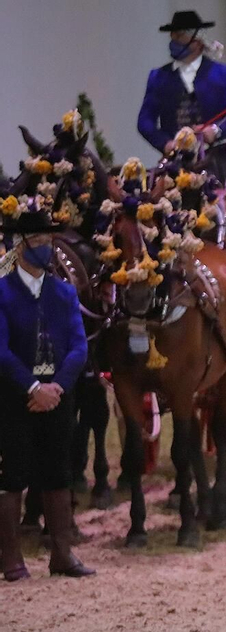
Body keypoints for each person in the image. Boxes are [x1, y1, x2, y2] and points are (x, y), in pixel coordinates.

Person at [0, 201, 94, 580]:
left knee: (59, 472)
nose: (48, 246)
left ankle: (62, 554)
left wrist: (57, 387)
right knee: (13, 475)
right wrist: (33, 386)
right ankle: (10, 559)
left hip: (57, 395)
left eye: (50, 238)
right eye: (40, 238)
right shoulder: (2, 292)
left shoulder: (64, 292)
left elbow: (79, 345)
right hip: (14, 396)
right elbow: (1, 349)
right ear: (21, 244)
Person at [137, 10, 226, 183]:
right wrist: (165, 143)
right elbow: (145, 121)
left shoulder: (223, 74)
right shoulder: (158, 77)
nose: (173, 40)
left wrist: (215, 131)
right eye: (172, 36)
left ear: (197, 41)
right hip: (175, 164)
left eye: (179, 36)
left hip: (215, 162)